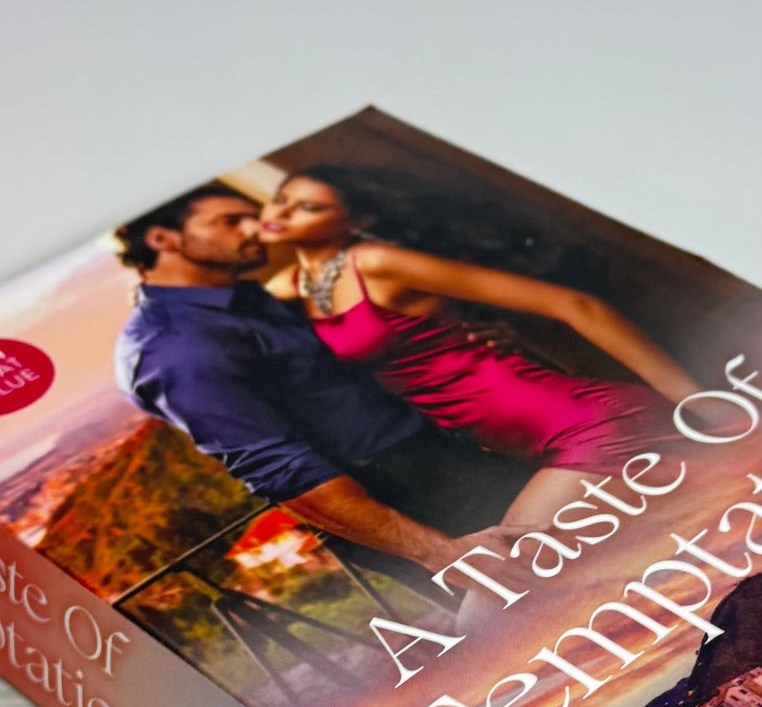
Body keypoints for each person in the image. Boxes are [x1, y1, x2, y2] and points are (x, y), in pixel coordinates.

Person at [111, 189, 525, 574]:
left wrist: (458, 344)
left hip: (448, 457)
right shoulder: (173, 349)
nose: (256, 229)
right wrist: (442, 553)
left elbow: (340, 376)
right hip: (405, 500)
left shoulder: (246, 300)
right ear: (162, 239)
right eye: (231, 221)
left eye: (254, 217)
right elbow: (283, 470)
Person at [259, 166, 699, 526]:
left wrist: (697, 402)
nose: (283, 213)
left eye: (310, 207)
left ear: (359, 221)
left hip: (589, 425)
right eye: (280, 199)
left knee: (512, 566)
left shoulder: (376, 263)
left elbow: (575, 304)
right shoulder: (293, 287)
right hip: (532, 448)